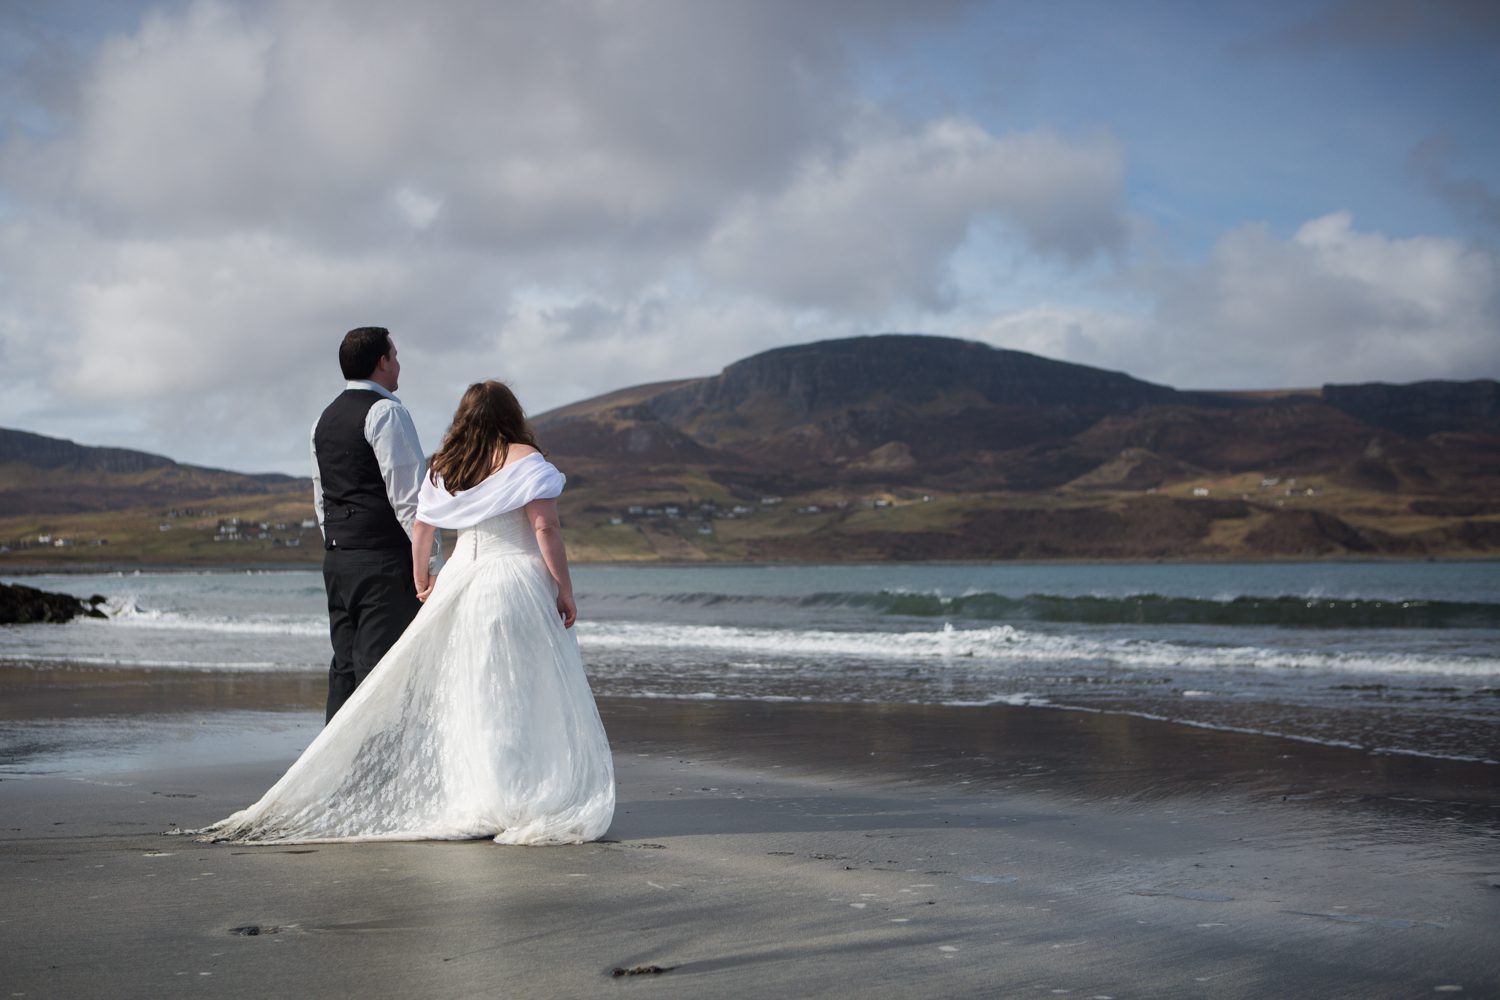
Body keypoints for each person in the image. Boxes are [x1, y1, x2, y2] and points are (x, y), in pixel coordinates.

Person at [194, 380, 614, 845]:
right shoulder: (526, 460)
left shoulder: (447, 467)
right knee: (522, 689)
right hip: (515, 583)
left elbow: (422, 528)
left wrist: (424, 583)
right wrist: (565, 588)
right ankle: (519, 793)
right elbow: (545, 526)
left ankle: (483, 794)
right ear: (511, 414)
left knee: (474, 690)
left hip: (461, 584)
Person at [311, 327, 433, 722]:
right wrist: (429, 569)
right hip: (382, 564)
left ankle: (336, 775)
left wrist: (339, 544)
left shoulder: (323, 420)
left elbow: (322, 496)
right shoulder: (387, 413)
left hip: (338, 561)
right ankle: (374, 776)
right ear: (381, 362)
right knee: (379, 674)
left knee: (345, 672)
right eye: (395, 355)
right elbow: (412, 501)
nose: (399, 363)